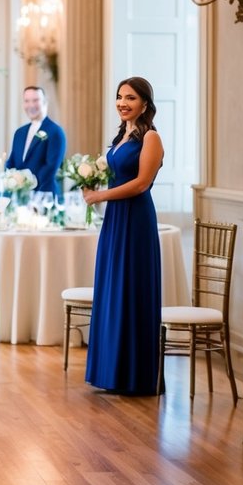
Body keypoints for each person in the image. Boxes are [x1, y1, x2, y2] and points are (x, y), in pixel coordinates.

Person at [81, 77, 164, 397]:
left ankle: (135, 375)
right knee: (113, 288)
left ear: (145, 103)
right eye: (119, 97)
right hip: (115, 219)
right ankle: (110, 371)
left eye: (130, 97)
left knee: (131, 288)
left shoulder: (151, 137)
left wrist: (99, 197)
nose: (122, 102)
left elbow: (142, 183)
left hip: (136, 219)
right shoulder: (121, 136)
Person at [5, 86, 67, 199]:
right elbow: (12, 162)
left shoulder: (55, 132)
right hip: (20, 198)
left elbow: (50, 168)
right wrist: (10, 183)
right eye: (27, 101)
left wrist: (28, 188)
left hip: (45, 197)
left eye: (35, 100)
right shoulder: (19, 133)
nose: (31, 105)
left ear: (44, 102)